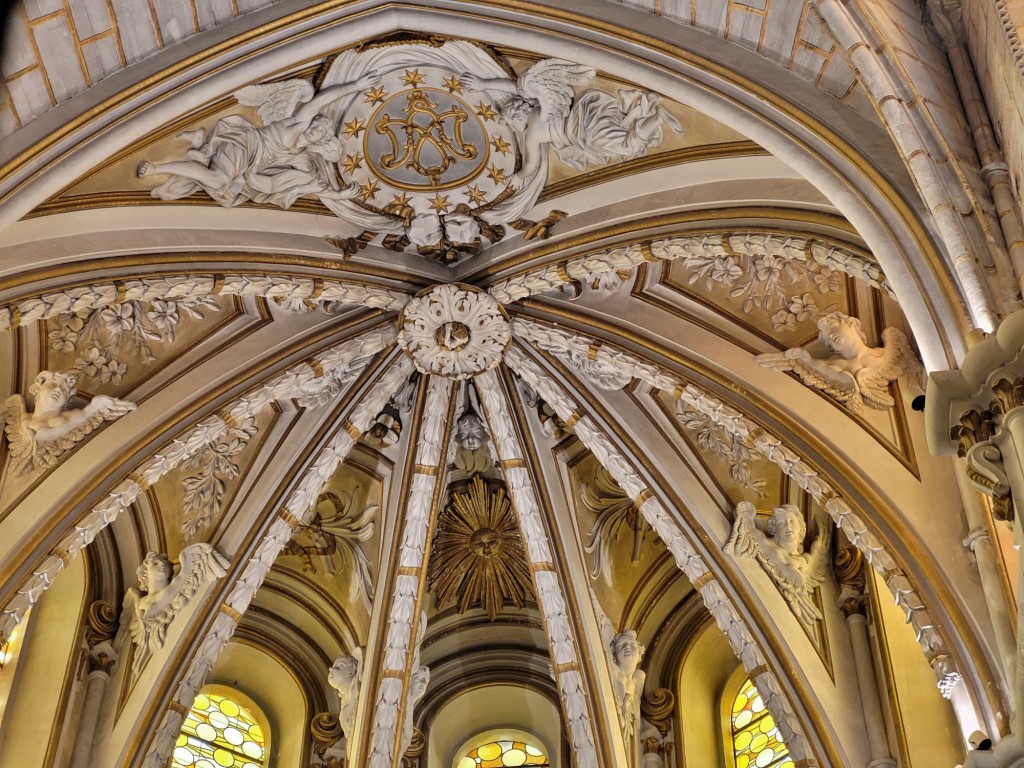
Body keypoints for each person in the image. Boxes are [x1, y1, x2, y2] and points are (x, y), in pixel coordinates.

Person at [138, 72, 381, 209]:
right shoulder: (299, 124)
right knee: (219, 179)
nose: (314, 129)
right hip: (246, 142)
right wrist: (355, 85)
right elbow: (319, 101)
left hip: (249, 165)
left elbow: (312, 185)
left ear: (319, 144)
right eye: (316, 124)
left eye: (318, 132)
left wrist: (338, 196)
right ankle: (158, 168)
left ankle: (202, 143)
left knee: (224, 192)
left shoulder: (302, 159)